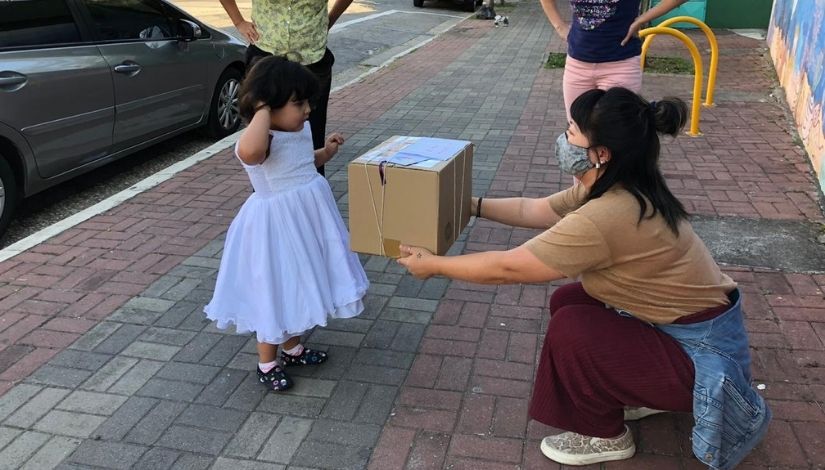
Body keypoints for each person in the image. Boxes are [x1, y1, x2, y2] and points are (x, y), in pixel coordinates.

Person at [397, 87, 770, 468]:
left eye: (571, 131)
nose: (564, 138)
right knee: (571, 301)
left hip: (702, 363)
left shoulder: (609, 214)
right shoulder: (621, 185)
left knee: (573, 329)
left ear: (601, 153)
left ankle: (605, 435)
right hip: (689, 338)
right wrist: (469, 206)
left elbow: (509, 268)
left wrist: (435, 265)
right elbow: (534, 209)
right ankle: (638, 391)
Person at [204, 57, 369, 392]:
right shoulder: (259, 141)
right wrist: (261, 107)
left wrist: (327, 152)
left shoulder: (298, 129)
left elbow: (304, 161)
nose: (307, 110)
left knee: (299, 282)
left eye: (307, 102)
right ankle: (267, 362)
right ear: (268, 106)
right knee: (276, 288)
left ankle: (292, 348)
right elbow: (248, 154)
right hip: (276, 228)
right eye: (298, 103)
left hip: (307, 220)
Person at [219, 0, 354, 176]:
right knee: (263, 129)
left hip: (312, 57)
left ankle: (309, 191)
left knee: (312, 131)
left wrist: (330, 20)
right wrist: (238, 22)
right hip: (266, 55)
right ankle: (270, 194)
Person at [539, 0, 688, 116]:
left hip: (621, 66)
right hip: (577, 65)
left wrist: (642, 19)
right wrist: (560, 27)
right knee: (577, 134)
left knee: (615, 137)